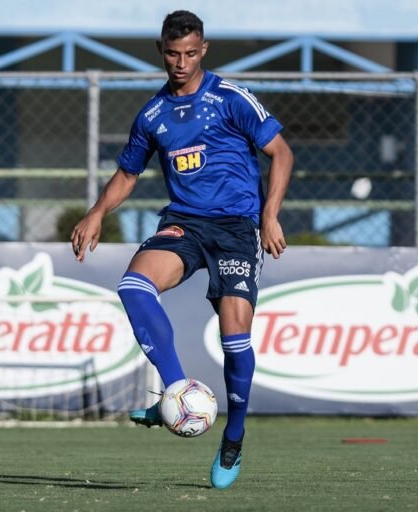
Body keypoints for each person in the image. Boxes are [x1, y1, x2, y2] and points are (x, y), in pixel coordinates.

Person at [70, 11, 293, 489]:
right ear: (160, 51)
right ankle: (175, 389)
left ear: (204, 50)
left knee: (235, 338)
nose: (181, 62)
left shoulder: (230, 99)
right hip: (185, 225)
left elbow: (282, 152)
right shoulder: (152, 115)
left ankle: (232, 437)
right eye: (173, 53)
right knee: (133, 286)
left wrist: (269, 216)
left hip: (236, 228)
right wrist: (95, 213)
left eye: (190, 53)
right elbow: (128, 174)